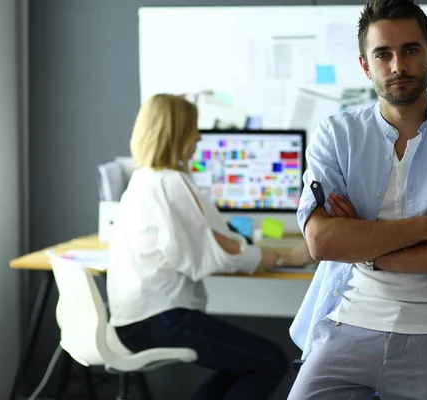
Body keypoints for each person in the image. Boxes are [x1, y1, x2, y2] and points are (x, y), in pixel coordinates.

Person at [288, 0, 427, 399]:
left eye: (410, 50)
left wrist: (367, 247)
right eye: (383, 54)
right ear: (365, 65)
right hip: (344, 323)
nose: (397, 66)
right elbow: (323, 242)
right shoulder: (336, 134)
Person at [106, 93, 313, 400]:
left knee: (243, 362)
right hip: (160, 318)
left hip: (133, 321)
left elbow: (213, 242)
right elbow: (214, 254)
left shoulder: (142, 180)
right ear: (175, 133)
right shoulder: (170, 183)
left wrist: (254, 250)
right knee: (270, 362)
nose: (200, 138)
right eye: (193, 129)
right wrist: (286, 257)